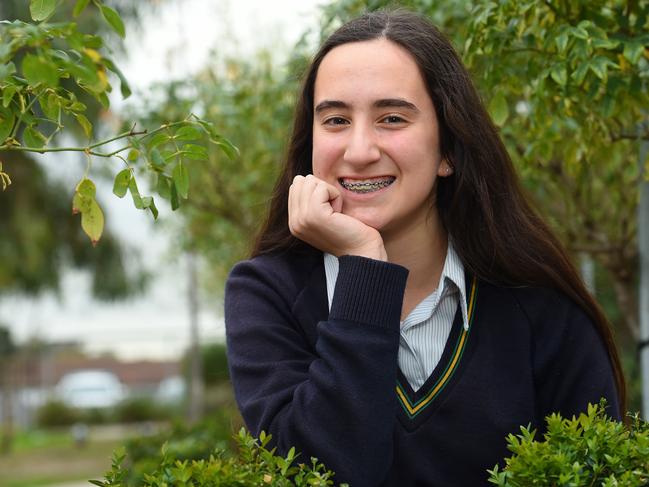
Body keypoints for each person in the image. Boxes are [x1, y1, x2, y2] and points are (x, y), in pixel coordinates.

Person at [225, 9, 625, 486]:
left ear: (449, 150)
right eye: (334, 119)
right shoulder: (266, 295)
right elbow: (327, 471)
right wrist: (364, 269)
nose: (358, 150)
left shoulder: (542, 309)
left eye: (391, 118)